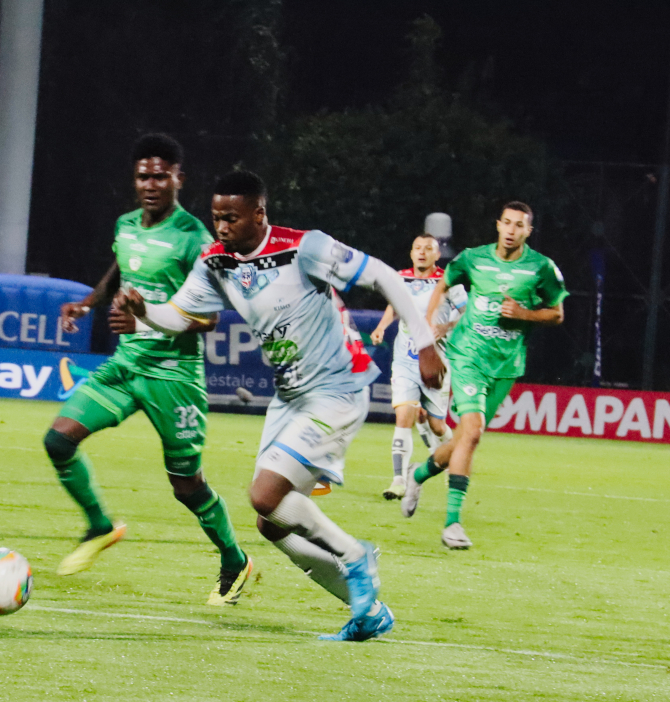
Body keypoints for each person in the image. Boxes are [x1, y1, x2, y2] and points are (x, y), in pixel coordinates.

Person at [116, 170, 444, 641]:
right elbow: (183, 316)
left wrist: (426, 341)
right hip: (290, 395)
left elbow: (385, 276)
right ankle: (368, 611)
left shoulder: (303, 247)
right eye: (216, 217)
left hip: (337, 386)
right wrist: (145, 309)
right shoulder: (216, 262)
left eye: (232, 217)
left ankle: (354, 555)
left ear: (259, 213)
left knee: (265, 496)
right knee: (271, 523)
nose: (222, 226)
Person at [47, 133, 253, 605]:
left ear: (179, 179)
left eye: (162, 175)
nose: (152, 184)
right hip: (126, 367)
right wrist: (87, 303)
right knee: (58, 439)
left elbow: (211, 319)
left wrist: (145, 314)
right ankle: (99, 525)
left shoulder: (195, 239)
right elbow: (121, 267)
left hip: (174, 378)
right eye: (144, 176)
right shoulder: (125, 226)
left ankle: (234, 558)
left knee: (187, 486)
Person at [401, 202, 567, 549]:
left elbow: (556, 314)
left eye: (519, 225)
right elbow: (442, 285)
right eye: (506, 222)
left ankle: (418, 474)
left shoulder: (541, 268)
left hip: (506, 366)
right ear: (497, 225)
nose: (511, 230)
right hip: (467, 357)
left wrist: (524, 313)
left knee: (464, 437)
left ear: (527, 231)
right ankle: (452, 524)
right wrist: (428, 334)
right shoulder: (474, 258)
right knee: (472, 433)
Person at [369, 234, 465, 500]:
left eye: (428, 249)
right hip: (405, 359)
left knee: (436, 425)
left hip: (436, 361)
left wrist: (446, 327)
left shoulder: (449, 281)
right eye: (417, 248)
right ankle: (399, 480)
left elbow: (467, 314)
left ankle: (452, 458)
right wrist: (380, 327)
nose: (422, 253)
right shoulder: (401, 278)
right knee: (404, 416)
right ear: (412, 253)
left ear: (437, 255)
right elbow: (394, 306)